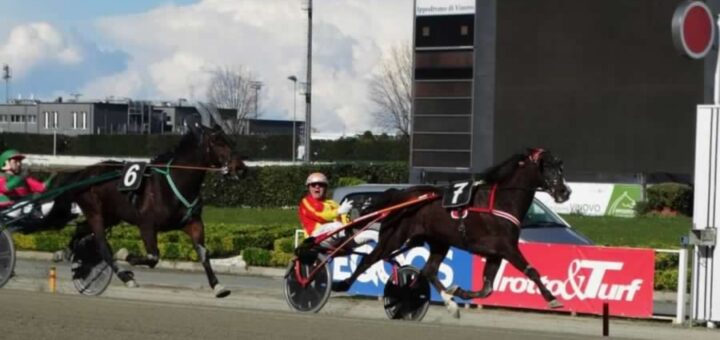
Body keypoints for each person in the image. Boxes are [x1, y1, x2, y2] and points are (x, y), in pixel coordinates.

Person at [298, 172, 377, 247]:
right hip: (315, 239)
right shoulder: (306, 202)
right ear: (308, 187)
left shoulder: (332, 203)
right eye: (313, 185)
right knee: (337, 226)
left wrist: (353, 222)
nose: (317, 187)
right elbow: (321, 215)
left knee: (372, 234)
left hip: (335, 236)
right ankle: (348, 235)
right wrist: (339, 211)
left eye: (321, 185)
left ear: (325, 188)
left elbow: (343, 219)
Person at [0, 149, 54, 219]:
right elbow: (5, 188)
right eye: (15, 162)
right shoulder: (2, 177)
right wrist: (21, 177)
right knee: (26, 202)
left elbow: (41, 188)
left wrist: (51, 177)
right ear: (5, 163)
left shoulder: (24, 178)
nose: (19, 164)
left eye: (19, 162)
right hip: (6, 208)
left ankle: (31, 218)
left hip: (20, 206)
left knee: (48, 201)